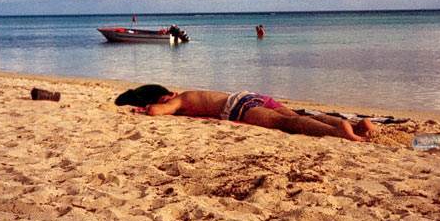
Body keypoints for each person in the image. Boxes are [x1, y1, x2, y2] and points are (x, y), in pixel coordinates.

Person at [117, 84, 377, 142]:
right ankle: (354, 125)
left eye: (165, 98)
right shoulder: (191, 93)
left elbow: (155, 112)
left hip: (239, 107)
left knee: (286, 123)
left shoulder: (180, 99)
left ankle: (338, 132)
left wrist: (151, 107)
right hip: (252, 96)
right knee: (293, 112)